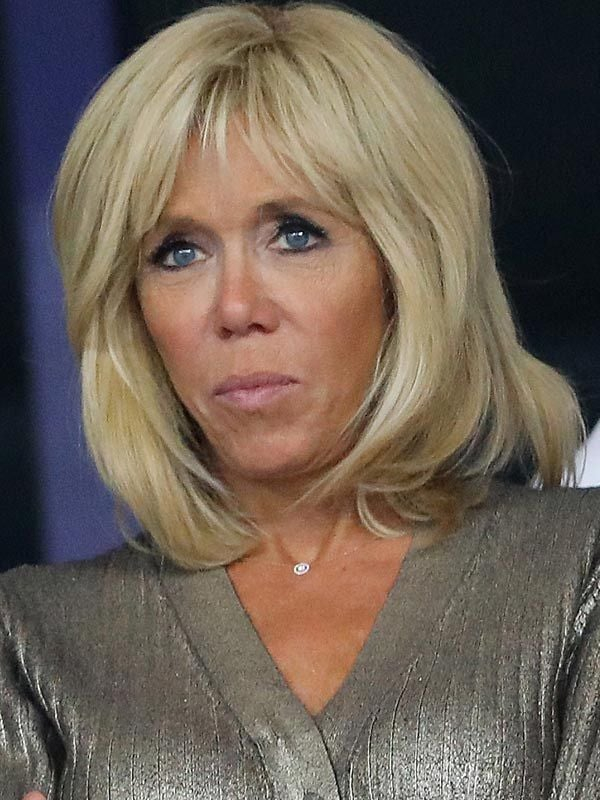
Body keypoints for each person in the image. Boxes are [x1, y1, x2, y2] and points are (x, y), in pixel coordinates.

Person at [3, 2, 599, 798]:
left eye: (294, 234)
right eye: (178, 252)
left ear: (407, 266)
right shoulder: (32, 639)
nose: (234, 306)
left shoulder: (576, 569)